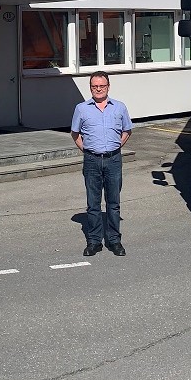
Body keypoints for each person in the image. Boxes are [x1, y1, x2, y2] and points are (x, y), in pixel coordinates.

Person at [71, 71, 134, 256]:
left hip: (113, 160)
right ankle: (94, 241)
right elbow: (75, 134)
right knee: (93, 203)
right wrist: (88, 150)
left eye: (102, 86)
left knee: (113, 203)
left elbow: (127, 131)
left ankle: (114, 241)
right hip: (91, 161)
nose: (98, 89)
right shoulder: (81, 108)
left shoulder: (119, 107)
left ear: (108, 87)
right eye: (95, 86)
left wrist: (115, 147)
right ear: (90, 88)